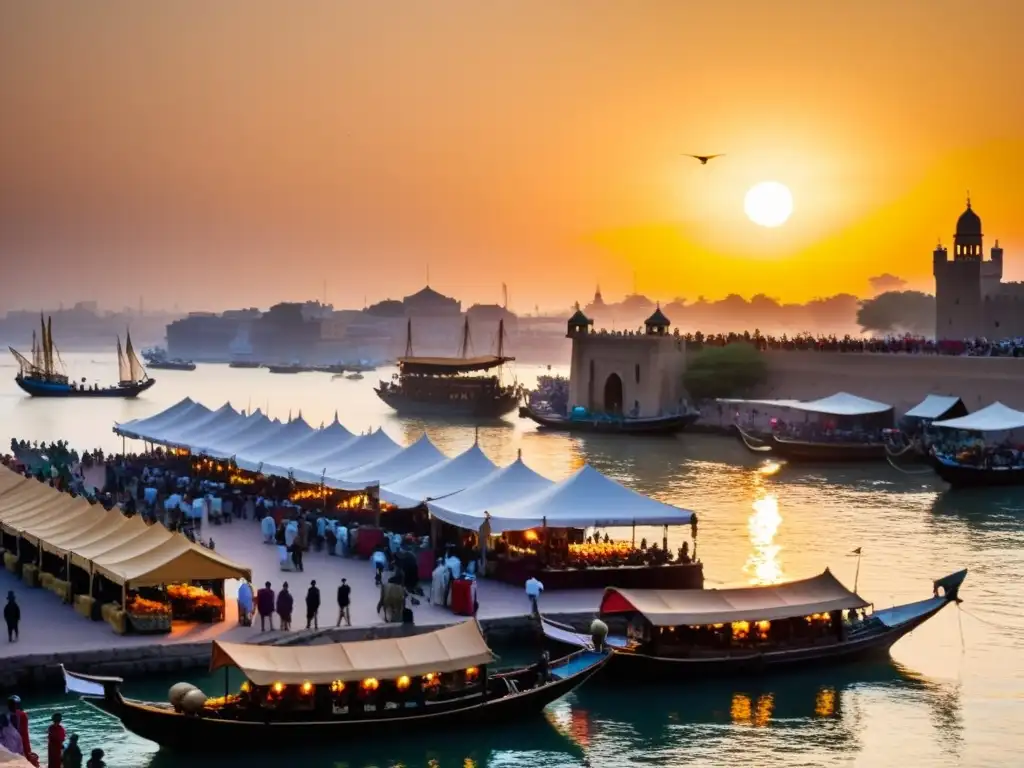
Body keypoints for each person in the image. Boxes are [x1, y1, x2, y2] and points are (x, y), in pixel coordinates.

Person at [7, 697, 31, 761]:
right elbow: (24, 733)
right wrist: (28, 751)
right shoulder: (22, 715)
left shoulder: (5, 716)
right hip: (21, 744)